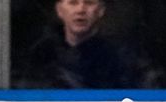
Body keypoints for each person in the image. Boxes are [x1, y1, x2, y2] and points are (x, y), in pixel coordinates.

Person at [17, 0, 152, 89]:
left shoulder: (123, 57)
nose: (81, 9)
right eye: (73, 3)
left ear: (100, 10)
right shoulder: (40, 54)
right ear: (59, 10)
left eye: (89, 2)